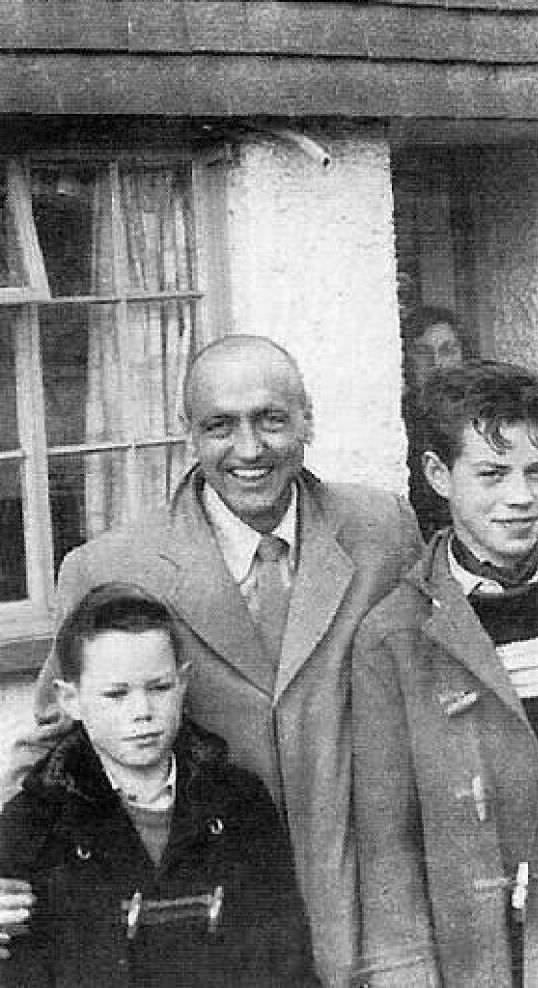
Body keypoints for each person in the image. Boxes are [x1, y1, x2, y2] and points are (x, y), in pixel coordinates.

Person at [0, 334, 423, 987]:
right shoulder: (110, 566)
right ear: (187, 434)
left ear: (307, 417)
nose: (249, 449)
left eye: (272, 420)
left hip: (369, 919)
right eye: (220, 426)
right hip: (222, 935)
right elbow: (51, 751)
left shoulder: (383, 530)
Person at [352, 360, 538, 987]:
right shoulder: (393, 637)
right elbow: (387, 847)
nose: (521, 497)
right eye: (491, 474)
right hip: (471, 959)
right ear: (437, 475)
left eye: (537, 472)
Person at [0, 583, 319, 987]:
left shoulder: (239, 802)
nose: (142, 712)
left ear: (183, 683)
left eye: (159, 687)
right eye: (116, 695)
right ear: (70, 700)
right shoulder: (33, 825)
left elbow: (287, 962)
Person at [403, 306, 465, 541]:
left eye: (448, 350)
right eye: (423, 352)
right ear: (406, 360)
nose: (437, 363)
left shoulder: (477, 416)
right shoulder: (401, 423)